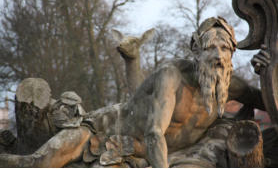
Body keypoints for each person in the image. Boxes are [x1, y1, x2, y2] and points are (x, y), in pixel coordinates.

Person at [0, 17, 266, 168]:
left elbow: (268, 102)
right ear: (196, 50)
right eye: (211, 48)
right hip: (109, 129)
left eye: (225, 49)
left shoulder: (233, 86)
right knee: (36, 164)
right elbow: (154, 132)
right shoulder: (171, 76)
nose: (218, 56)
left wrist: (268, 70)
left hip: (172, 154)